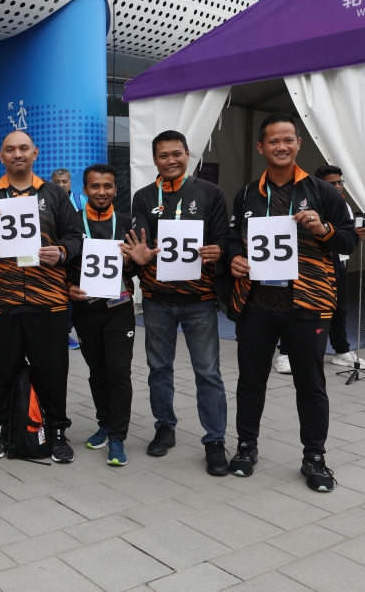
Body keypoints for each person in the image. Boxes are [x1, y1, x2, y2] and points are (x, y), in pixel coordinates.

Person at [228, 112, 357, 492]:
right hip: (257, 304)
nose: (281, 146)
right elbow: (235, 239)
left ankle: (314, 457)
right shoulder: (247, 195)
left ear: (299, 143)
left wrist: (324, 228)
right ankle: (246, 447)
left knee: (311, 384)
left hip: (307, 304)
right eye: (273, 141)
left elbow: (349, 240)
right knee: (251, 381)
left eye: (288, 140)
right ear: (260, 147)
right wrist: (235, 257)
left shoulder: (324, 192)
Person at [0, 130, 81, 463]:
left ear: (35, 153)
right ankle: (1, 430)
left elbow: (75, 236)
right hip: (1, 301)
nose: (17, 154)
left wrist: (61, 252)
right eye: (10, 149)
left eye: (23, 148)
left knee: (52, 371)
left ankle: (57, 431)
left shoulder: (54, 193)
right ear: (1, 156)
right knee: (2, 372)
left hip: (49, 300)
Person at [127, 129, 231, 475]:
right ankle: (164, 426)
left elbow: (224, 239)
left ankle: (215, 440)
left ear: (188, 154)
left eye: (176, 154)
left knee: (208, 372)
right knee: (159, 368)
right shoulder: (143, 196)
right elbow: (141, 241)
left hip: (199, 299)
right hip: (156, 299)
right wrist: (141, 255)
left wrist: (219, 251)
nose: (170, 160)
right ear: (154, 160)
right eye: (163, 155)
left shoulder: (210, 193)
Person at [67, 164, 137, 466]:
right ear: (85, 190)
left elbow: (136, 267)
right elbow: (64, 264)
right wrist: (68, 287)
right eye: (95, 186)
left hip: (118, 309)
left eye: (107, 186)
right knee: (97, 371)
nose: (101, 191)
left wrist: (132, 262)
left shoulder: (126, 223)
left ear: (115, 190)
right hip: (86, 311)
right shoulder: (71, 222)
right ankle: (105, 424)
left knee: (118, 371)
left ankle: (118, 437)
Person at [273, 165, 365, 374]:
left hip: (338, 263)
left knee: (339, 309)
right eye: (332, 183)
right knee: (295, 308)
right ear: (320, 185)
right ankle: (286, 353)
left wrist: (355, 235)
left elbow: (346, 235)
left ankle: (341, 350)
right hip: (308, 266)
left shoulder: (343, 205)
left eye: (339, 182)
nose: (337, 186)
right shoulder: (305, 201)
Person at [51, 168, 81, 351]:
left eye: (64, 181)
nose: (61, 185)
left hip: (77, 255)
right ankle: (64, 334)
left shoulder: (80, 200)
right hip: (56, 256)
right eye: (57, 182)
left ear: (70, 183)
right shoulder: (47, 199)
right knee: (63, 296)